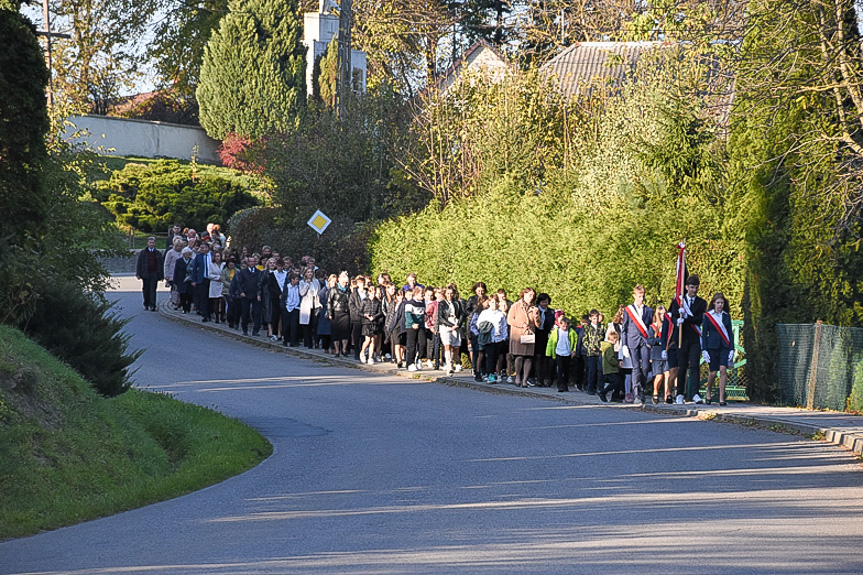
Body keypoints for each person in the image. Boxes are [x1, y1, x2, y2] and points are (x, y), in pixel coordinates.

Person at [670, 275, 707, 404]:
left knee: (695, 365)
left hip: (694, 337)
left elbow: (699, 319)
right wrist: (677, 321)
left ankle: (695, 394)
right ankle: (680, 393)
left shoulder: (702, 303)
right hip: (681, 336)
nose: (694, 290)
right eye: (691, 287)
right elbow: (672, 316)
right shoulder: (678, 301)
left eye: (696, 288)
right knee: (682, 365)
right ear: (686, 287)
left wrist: (686, 317)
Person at [620, 285, 653, 404]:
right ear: (634, 296)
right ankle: (637, 393)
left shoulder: (649, 310)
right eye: (639, 296)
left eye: (643, 296)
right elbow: (624, 328)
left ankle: (642, 389)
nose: (641, 298)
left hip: (644, 341)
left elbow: (650, 327)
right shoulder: (628, 310)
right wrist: (624, 345)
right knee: (635, 368)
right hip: (632, 341)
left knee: (645, 367)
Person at [701, 292, 734, 406]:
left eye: (722, 303)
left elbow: (730, 333)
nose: (720, 305)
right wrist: (704, 349)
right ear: (714, 303)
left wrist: (732, 349)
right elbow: (704, 334)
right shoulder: (708, 316)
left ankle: (721, 398)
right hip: (712, 346)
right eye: (718, 303)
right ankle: (708, 392)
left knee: (723, 369)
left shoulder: (726, 316)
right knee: (713, 373)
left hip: (724, 346)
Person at [507, 288, 542, 387]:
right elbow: (509, 320)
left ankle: (525, 380)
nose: (532, 297)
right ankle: (518, 376)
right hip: (518, 335)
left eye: (533, 295)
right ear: (524, 294)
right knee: (519, 357)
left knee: (528, 358)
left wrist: (536, 316)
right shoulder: (516, 306)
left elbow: (539, 325)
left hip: (529, 336)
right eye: (530, 295)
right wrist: (521, 324)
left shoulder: (534, 308)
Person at [437, 284, 465, 376]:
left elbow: (461, 314)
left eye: (451, 293)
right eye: (448, 293)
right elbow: (440, 317)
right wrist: (450, 325)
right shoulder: (442, 304)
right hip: (445, 326)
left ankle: (452, 362)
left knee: (456, 346)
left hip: (455, 324)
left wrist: (458, 324)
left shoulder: (457, 303)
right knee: (447, 345)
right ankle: (449, 366)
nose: (449, 295)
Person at [477, 297, 507, 383]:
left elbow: (504, 327)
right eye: (493, 302)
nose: (494, 304)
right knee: (490, 356)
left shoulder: (500, 314)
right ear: (489, 303)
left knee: (496, 357)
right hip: (489, 338)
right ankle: (490, 374)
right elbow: (479, 324)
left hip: (498, 339)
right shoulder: (485, 313)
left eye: (496, 302)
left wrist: (504, 337)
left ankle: (494, 373)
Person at [546, 315, 578, 392]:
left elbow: (576, 342)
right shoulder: (556, 332)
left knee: (566, 370)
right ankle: (560, 384)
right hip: (558, 352)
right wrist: (548, 353)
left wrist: (574, 350)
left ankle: (565, 384)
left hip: (567, 353)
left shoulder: (571, 332)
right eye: (563, 326)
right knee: (560, 369)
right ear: (560, 325)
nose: (565, 328)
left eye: (566, 326)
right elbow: (551, 342)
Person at [647, 305, 669, 404]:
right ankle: (655, 392)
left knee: (668, 375)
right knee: (659, 376)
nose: (663, 316)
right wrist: (660, 341)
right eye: (661, 314)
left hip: (667, 352)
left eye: (664, 314)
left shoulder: (669, 326)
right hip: (657, 353)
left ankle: (667, 395)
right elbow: (650, 340)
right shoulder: (653, 327)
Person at [236, 255, 263, 336]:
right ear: (247, 262)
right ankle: (245, 329)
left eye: (253, 261)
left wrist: (259, 294)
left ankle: (256, 330)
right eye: (250, 261)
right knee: (245, 313)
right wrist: (241, 292)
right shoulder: (243, 272)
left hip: (255, 295)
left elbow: (260, 284)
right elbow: (239, 283)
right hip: (246, 295)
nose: (252, 263)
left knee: (257, 313)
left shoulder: (258, 272)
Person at [135, 237, 164, 311]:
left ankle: (152, 305)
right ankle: (146, 303)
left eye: (153, 242)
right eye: (150, 242)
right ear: (147, 244)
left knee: (153, 290)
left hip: (154, 273)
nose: (151, 244)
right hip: (146, 273)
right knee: (146, 289)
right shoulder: (143, 253)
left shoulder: (157, 253)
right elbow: (139, 263)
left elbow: (161, 264)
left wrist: (161, 275)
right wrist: (138, 273)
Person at [327, 271, 352, 357]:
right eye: (343, 282)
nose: (345, 284)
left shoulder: (348, 290)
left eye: (346, 283)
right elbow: (329, 302)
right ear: (339, 280)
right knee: (335, 333)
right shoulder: (334, 289)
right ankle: (337, 350)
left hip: (345, 313)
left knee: (345, 332)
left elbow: (350, 301)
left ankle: (344, 349)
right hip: (336, 312)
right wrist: (330, 313)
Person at [533, 293, 555, 387]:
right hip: (537, 335)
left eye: (546, 302)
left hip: (546, 336)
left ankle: (543, 377)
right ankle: (538, 378)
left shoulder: (551, 312)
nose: (544, 304)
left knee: (546, 358)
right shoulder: (535, 310)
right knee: (537, 357)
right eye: (542, 302)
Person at [360, 285, 384, 363]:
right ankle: (362, 352)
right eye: (371, 293)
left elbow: (380, 312)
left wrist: (374, 317)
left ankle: (370, 357)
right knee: (368, 339)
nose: (373, 295)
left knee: (373, 340)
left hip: (374, 322)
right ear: (369, 293)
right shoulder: (364, 301)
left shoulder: (377, 302)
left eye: (374, 293)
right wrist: (365, 315)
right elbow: (359, 312)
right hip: (366, 323)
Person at [582, 309, 604, 394]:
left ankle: (600, 388)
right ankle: (590, 387)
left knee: (601, 370)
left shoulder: (601, 327)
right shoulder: (587, 328)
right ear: (590, 318)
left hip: (600, 352)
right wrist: (591, 347)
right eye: (594, 318)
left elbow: (604, 338)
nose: (596, 320)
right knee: (592, 370)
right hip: (591, 353)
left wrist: (601, 347)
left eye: (597, 318)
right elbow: (584, 340)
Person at [190, 242, 213, 321]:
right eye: (201, 248)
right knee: (203, 297)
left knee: (211, 297)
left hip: (212, 279)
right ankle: (204, 314)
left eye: (203, 248)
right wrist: (193, 280)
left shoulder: (212, 255)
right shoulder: (198, 257)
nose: (201, 249)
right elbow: (194, 269)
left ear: (207, 248)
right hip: (202, 279)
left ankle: (210, 313)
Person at [299, 267, 321, 348]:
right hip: (306, 305)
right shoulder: (302, 282)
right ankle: (308, 343)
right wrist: (307, 284)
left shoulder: (316, 282)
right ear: (305, 273)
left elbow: (318, 293)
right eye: (308, 272)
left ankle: (316, 342)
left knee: (315, 324)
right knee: (306, 325)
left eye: (311, 272)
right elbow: (301, 293)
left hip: (314, 304)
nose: (310, 274)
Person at [597, 331, 622, 402]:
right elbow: (610, 359)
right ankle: (603, 392)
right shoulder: (609, 348)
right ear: (614, 340)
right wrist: (617, 363)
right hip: (610, 369)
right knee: (616, 382)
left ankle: (614, 397)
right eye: (616, 340)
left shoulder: (606, 347)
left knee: (617, 382)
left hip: (608, 369)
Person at [348, 275, 368, 360]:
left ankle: (363, 352)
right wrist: (358, 313)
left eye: (363, 283)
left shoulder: (367, 293)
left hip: (366, 318)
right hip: (356, 318)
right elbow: (351, 305)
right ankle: (356, 352)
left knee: (365, 336)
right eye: (360, 283)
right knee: (356, 336)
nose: (362, 285)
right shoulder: (353, 294)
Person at [163, 237, 184, 310]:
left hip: (180, 274)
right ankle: (174, 302)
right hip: (172, 274)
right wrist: (166, 275)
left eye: (181, 246)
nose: (179, 248)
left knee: (180, 289)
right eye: (178, 246)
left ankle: (179, 302)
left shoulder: (182, 252)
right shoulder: (170, 252)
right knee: (174, 289)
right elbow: (166, 264)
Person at [280, 272, 301, 346]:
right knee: (286, 325)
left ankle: (293, 341)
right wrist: (284, 307)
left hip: (295, 307)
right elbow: (284, 297)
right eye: (296, 279)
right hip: (288, 307)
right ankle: (285, 339)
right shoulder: (287, 287)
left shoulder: (298, 287)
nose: (297, 281)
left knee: (294, 325)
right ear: (292, 280)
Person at [172, 247, 194, 314]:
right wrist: (175, 281)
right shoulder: (179, 261)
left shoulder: (192, 261)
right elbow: (176, 271)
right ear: (183, 254)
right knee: (182, 294)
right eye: (185, 253)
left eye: (188, 253)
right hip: (181, 280)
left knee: (189, 294)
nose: (187, 255)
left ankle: (188, 306)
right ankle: (184, 307)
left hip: (189, 280)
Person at [317, 274, 335, 352]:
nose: (334, 283)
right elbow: (320, 297)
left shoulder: (337, 290)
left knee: (333, 331)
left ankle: (334, 347)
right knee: (325, 331)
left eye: (335, 281)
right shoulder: (325, 289)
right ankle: (325, 347)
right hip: (325, 310)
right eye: (332, 281)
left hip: (334, 310)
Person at [207, 250, 224, 323]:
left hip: (222, 284)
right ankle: (216, 316)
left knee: (223, 300)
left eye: (218, 256)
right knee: (215, 301)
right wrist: (217, 278)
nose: (217, 258)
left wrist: (222, 278)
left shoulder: (224, 264)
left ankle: (222, 315)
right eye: (216, 256)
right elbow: (209, 275)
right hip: (214, 284)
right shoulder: (211, 265)